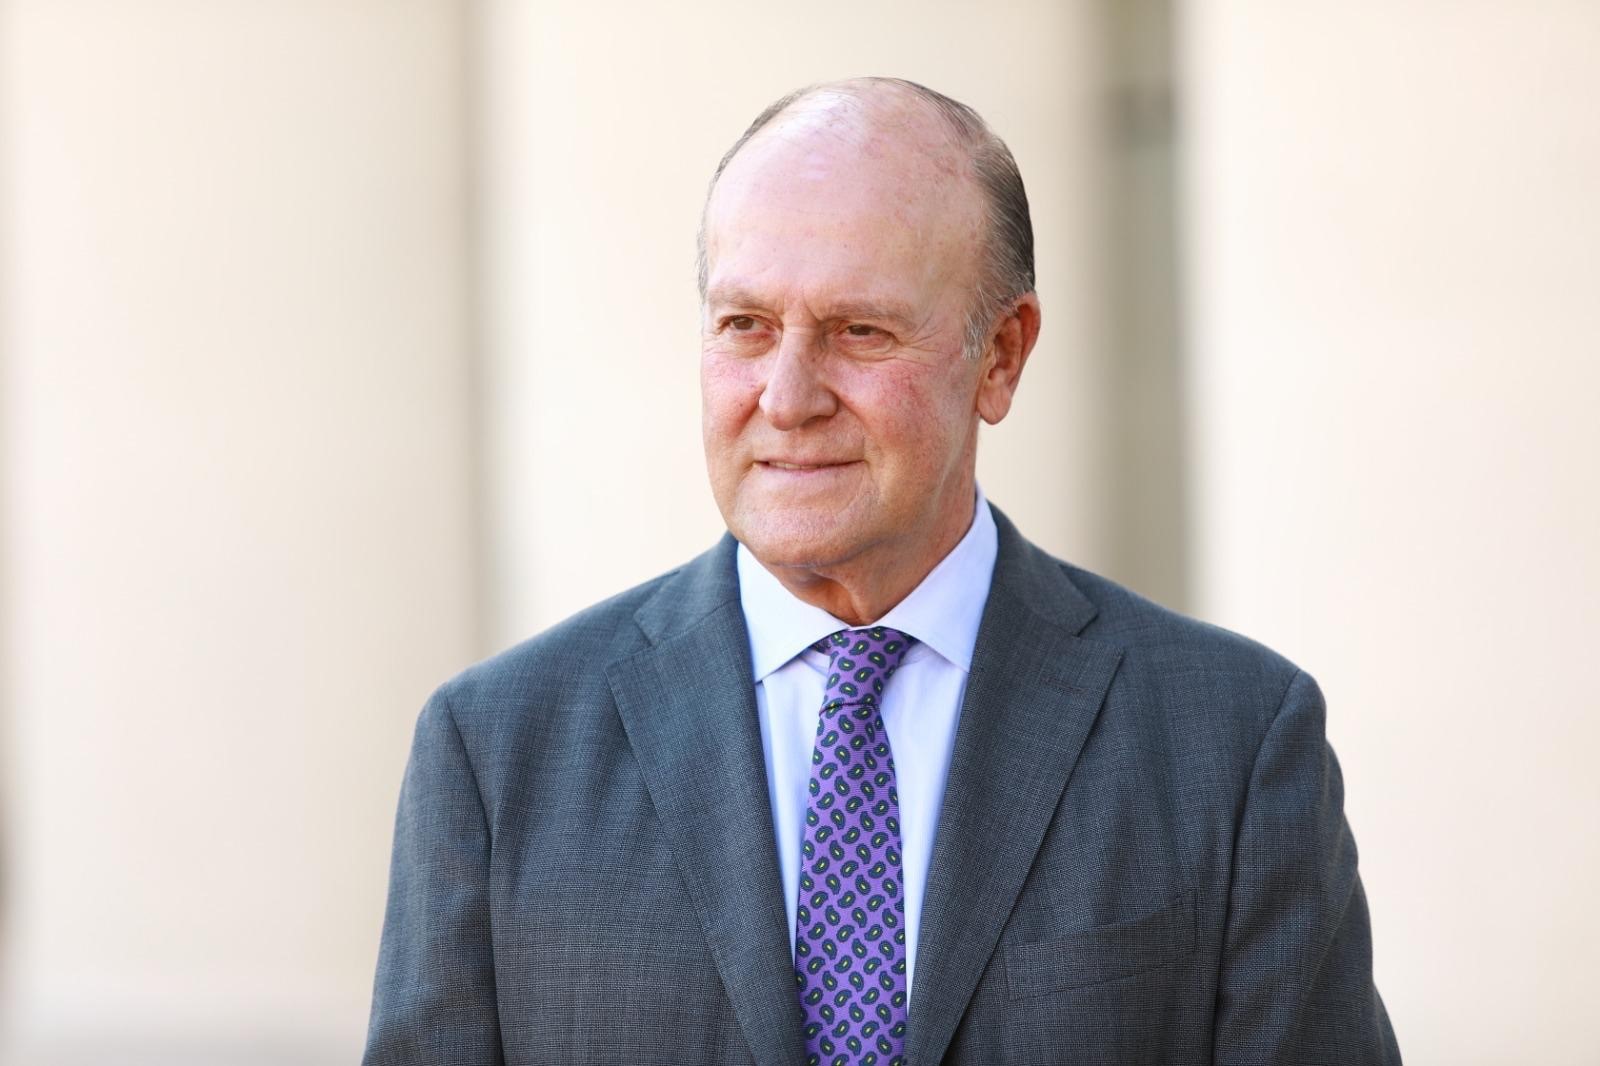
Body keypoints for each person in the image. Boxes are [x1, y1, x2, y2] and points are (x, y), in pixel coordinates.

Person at [363, 77, 1399, 1065]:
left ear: (1001, 355)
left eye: (859, 331)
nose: (787, 397)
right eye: (745, 326)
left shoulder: (1229, 744)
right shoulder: (497, 755)